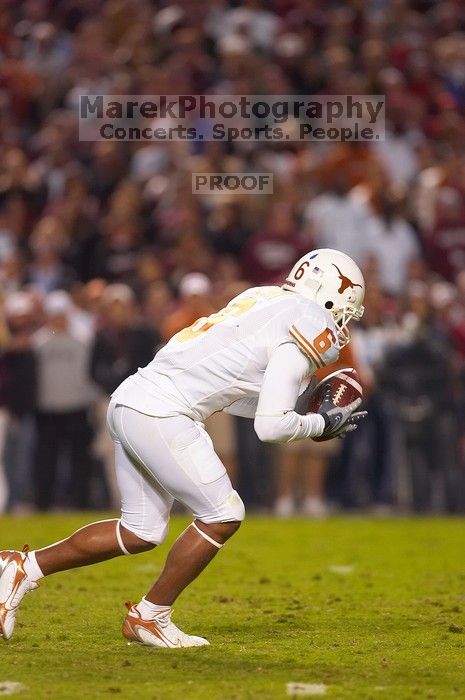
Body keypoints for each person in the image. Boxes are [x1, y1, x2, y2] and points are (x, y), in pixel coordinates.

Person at [0, 249, 366, 648]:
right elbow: (270, 427)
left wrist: (299, 404)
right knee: (224, 514)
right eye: (346, 308)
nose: (342, 321)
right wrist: (321, 423)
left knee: (139, 531)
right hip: (162, 411)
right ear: (331, 294)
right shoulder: (310, 319)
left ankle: (21, 567)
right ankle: (151, 615)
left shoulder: (262, 298)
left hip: (133, 397)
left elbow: (240, 398)